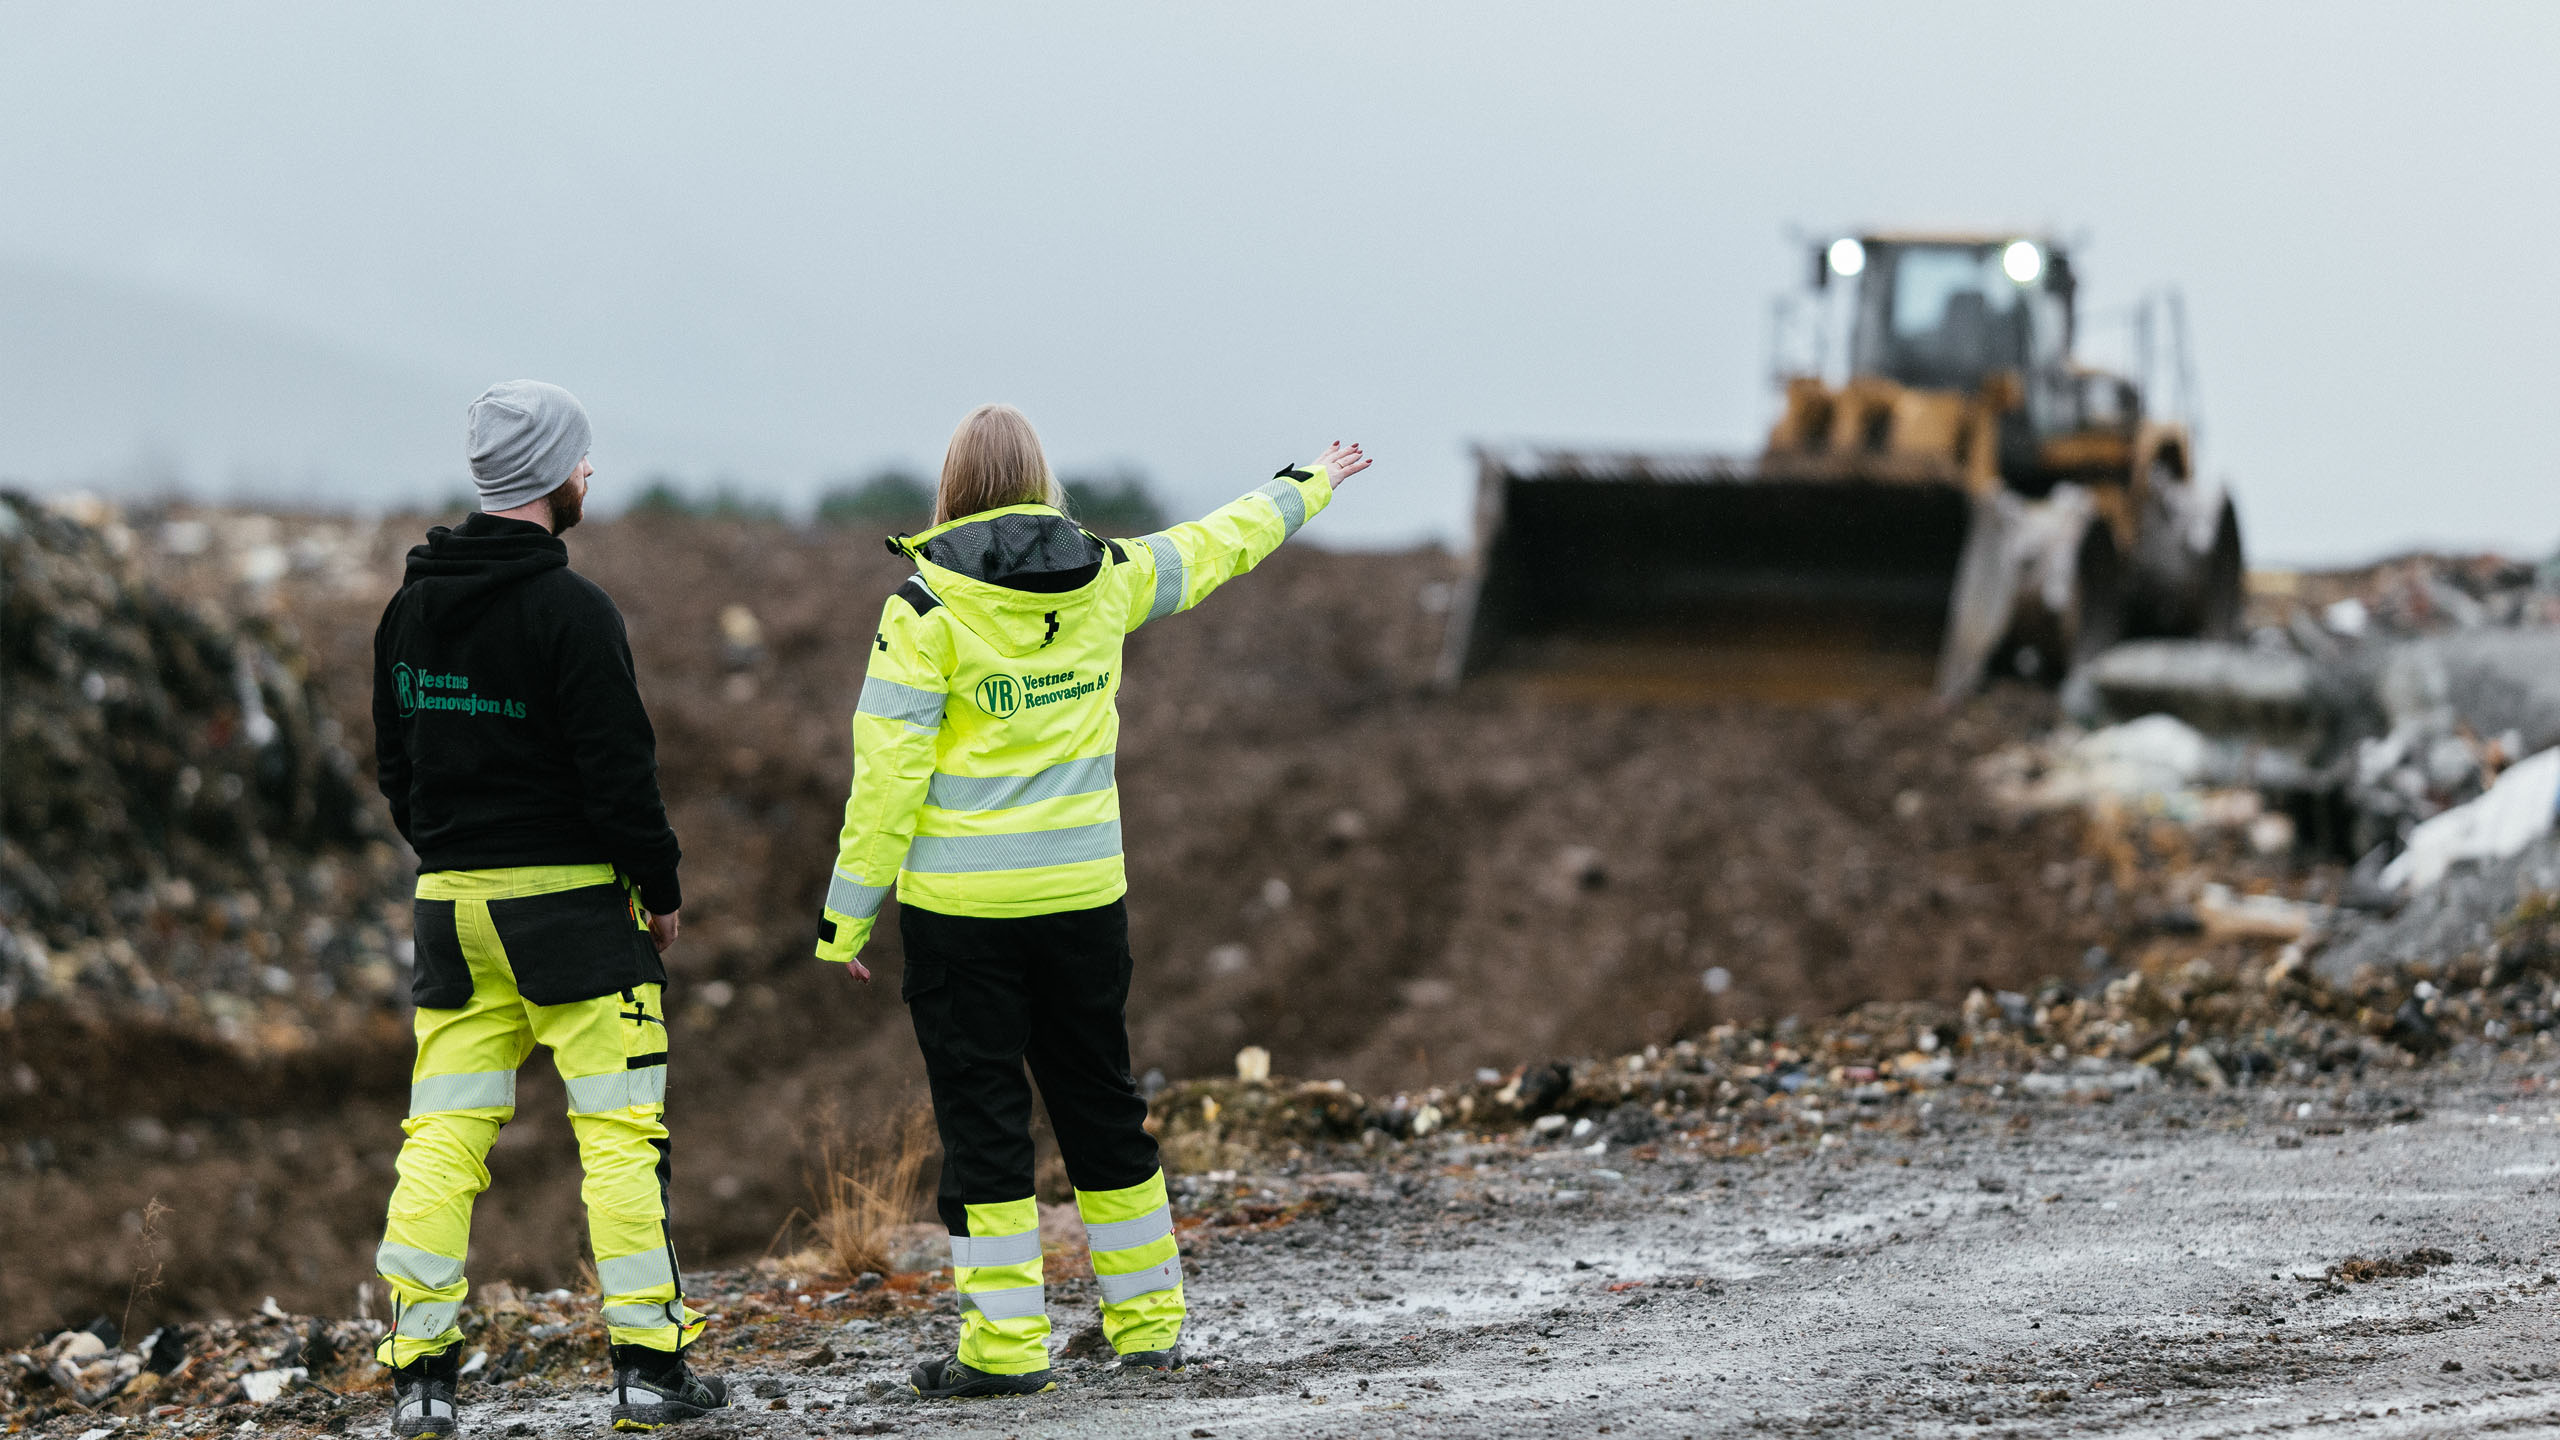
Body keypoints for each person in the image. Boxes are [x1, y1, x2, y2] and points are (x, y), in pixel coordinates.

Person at [813, 403, 1371, 1398]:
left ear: (952, 489)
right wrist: (1307, 484)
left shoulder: (923, 609)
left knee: (985, 1126)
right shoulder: (1107, 578)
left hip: (963, 917)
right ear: (1042, 482)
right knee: (1102, 1107)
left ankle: (1004, 1349)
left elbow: (886, 775)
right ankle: (1149, 1325)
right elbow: (1214, 545)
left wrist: (847, 917)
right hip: (1082, 904)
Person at [370, 380, 728, 1437]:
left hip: (451, 916)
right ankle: (649, 1374)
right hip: (575, 924)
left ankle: (422, 1381)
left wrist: (453, 856)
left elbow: (398, 768)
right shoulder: (575, 612)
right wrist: (656, 892)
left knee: (441, 1138)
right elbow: (623, 776)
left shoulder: (409, 608)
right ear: (557, 477)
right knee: (619, 1140)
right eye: (583, 461)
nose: (589, 476)